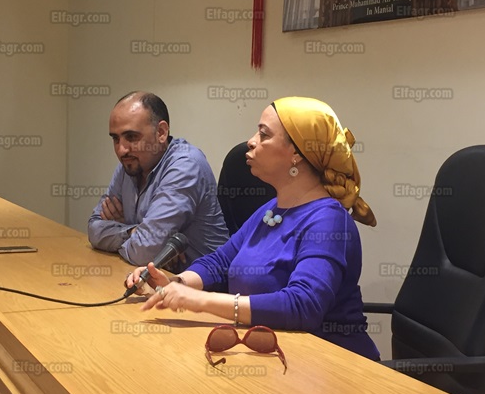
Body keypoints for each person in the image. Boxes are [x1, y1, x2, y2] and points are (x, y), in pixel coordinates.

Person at [128, 97, 380, 360]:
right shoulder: (272, 209)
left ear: (296, 154)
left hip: (335, 365)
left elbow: (303, 305)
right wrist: (176, 283)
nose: (250, 142)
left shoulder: (328, 220)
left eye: (264, 135)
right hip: (274, 354)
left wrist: (200, 300)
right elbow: (220, 262)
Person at [88, 91, 228, 272]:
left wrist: (142, 242)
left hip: (203, 284)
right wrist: (133, 232)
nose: (121, 150)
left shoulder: (185, 165)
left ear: (161, 132)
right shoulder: (129, 165)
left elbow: (143, 252)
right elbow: (94, 228)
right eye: (115, 139)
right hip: (154, 277)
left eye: (131, 137)